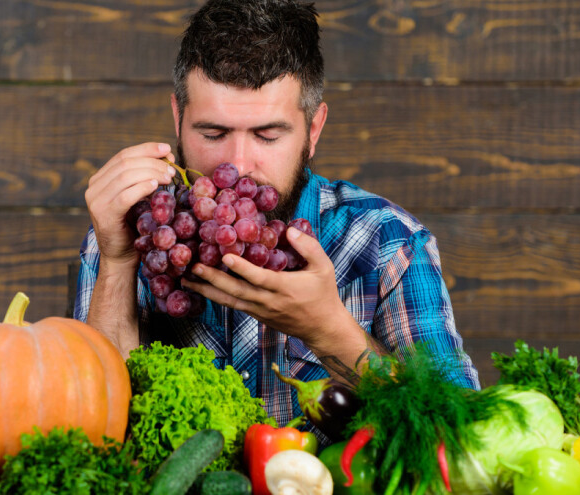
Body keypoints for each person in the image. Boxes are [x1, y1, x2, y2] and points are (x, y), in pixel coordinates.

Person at [75, 0, 480, 430]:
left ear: (314, 129)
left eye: (268, 136)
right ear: (178, 118)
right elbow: (89, 428)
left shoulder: (390, 243)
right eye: (212, 133)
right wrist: (117, 263)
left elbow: (465, 438)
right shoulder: (134, 232)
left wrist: (329, 332)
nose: (239, 164)